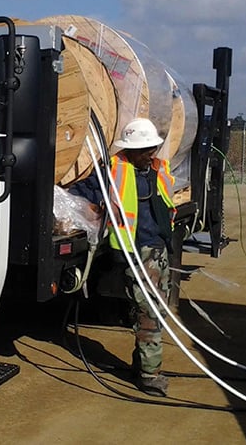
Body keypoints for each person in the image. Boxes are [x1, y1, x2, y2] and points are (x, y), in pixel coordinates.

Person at [107, 118, 176, 397]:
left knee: (156, 311)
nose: (151, 154)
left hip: (159, 250)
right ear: (130, 152)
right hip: (139, 253)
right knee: (149, 315)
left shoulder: (157, 169)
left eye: (152, 148)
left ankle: (141, 363)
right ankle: (150, 374)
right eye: (144, 150)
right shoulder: (115, 172)